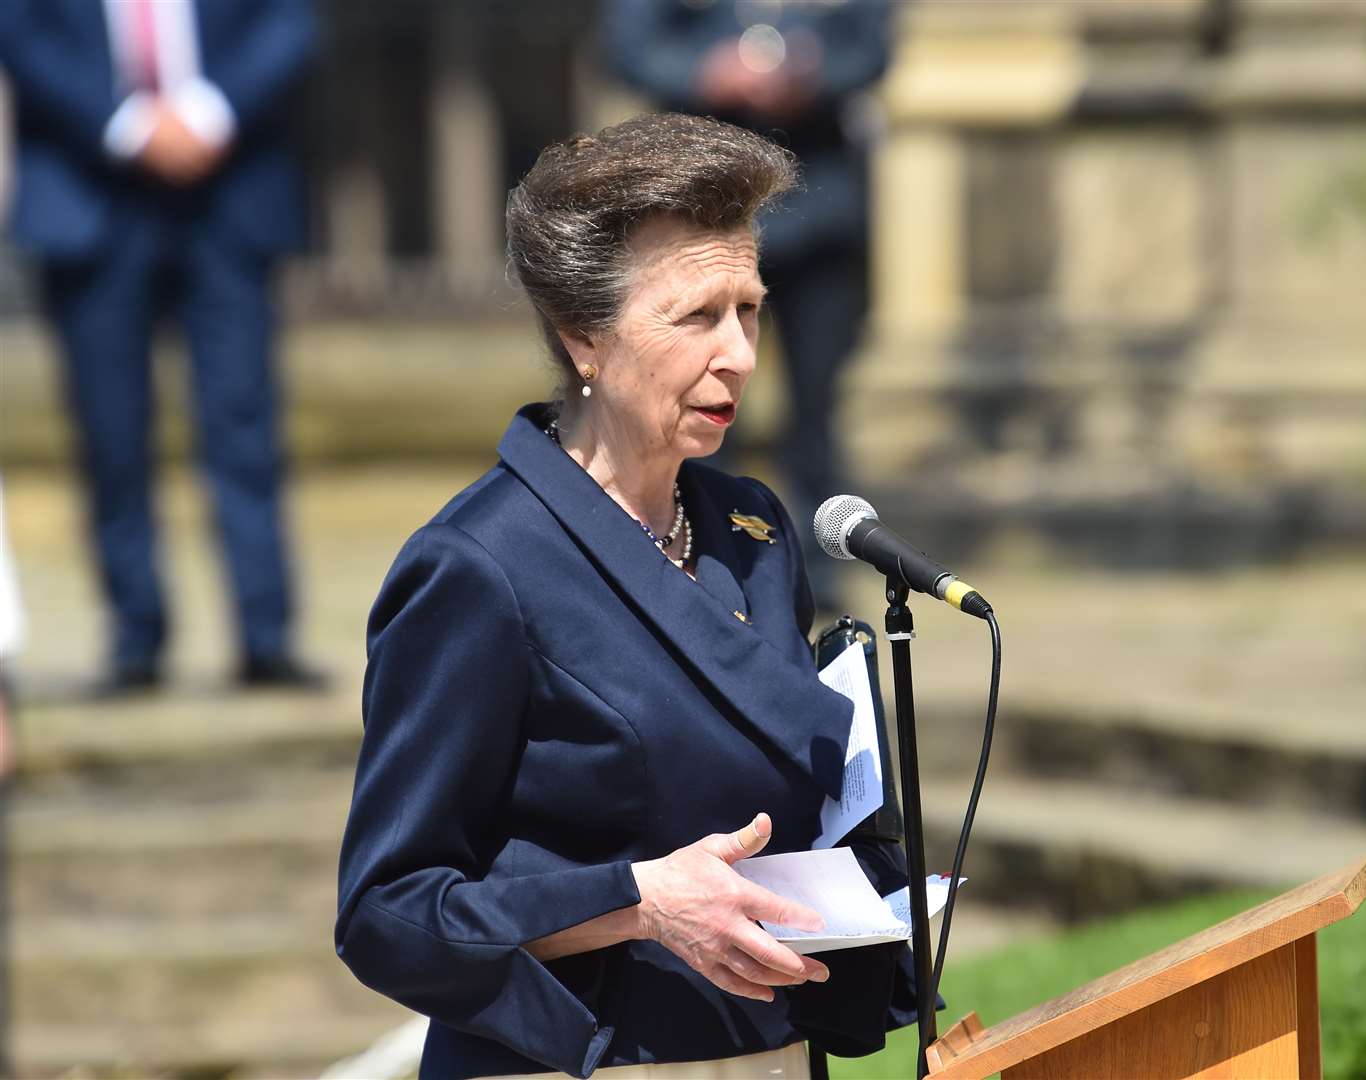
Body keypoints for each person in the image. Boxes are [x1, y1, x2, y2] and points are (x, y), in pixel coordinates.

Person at [335, 114, 919, 1079]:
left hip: (774, 1054)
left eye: (751, 310)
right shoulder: (477, 567)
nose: (737, 353)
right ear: (584, 341)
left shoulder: (753, 528)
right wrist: (640, 901)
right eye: (696, 317)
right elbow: (388, 913)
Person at [0, 0, 322, 692]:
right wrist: (126, 124)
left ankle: (265, 637)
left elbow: (288, 22)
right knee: (110, 429)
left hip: (230, 189)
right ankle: (134, 637)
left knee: (244, 422)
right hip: (88, 190)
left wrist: (210, 113)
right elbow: (22, 31)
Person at [601, 0, 893, 608]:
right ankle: (698, 557)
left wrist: (812, 71)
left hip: (821, 211)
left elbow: (874, 45)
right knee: (696, 403)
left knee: (819, 412)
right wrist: (707, 72)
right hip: (701, 214)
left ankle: (816, 574)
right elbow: (628, 45)